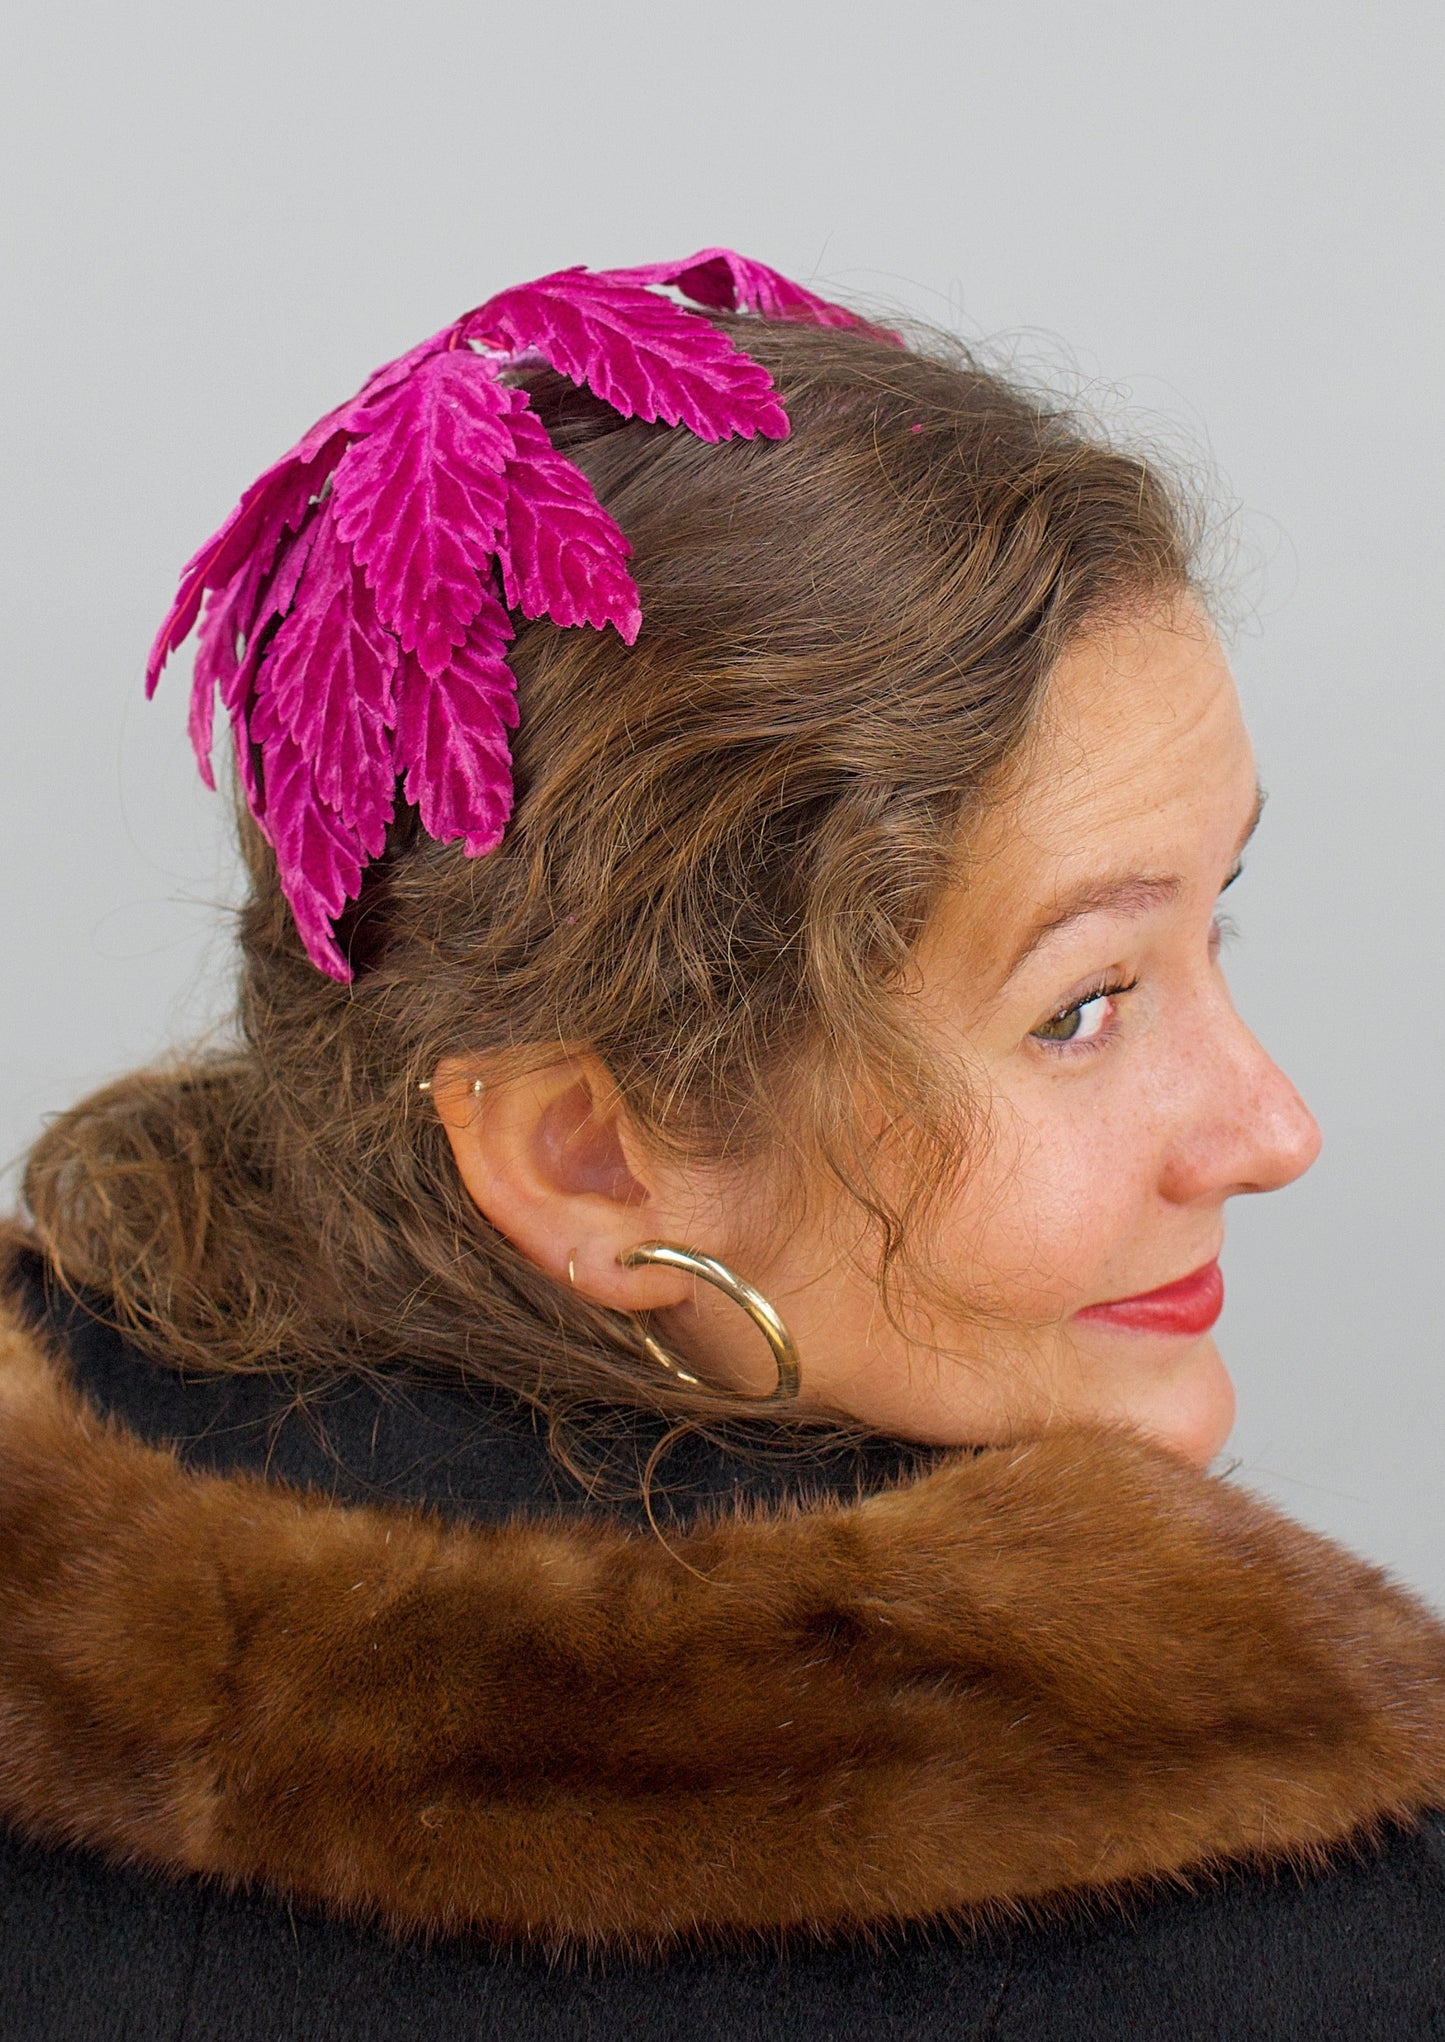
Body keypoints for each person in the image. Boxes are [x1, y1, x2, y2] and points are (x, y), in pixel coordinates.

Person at [1, 249, 1442, 2041]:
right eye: (1079, 1007)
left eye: (1211, 921)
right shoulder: (1283, 1922)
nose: (1273, 1128)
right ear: (590, 1159)